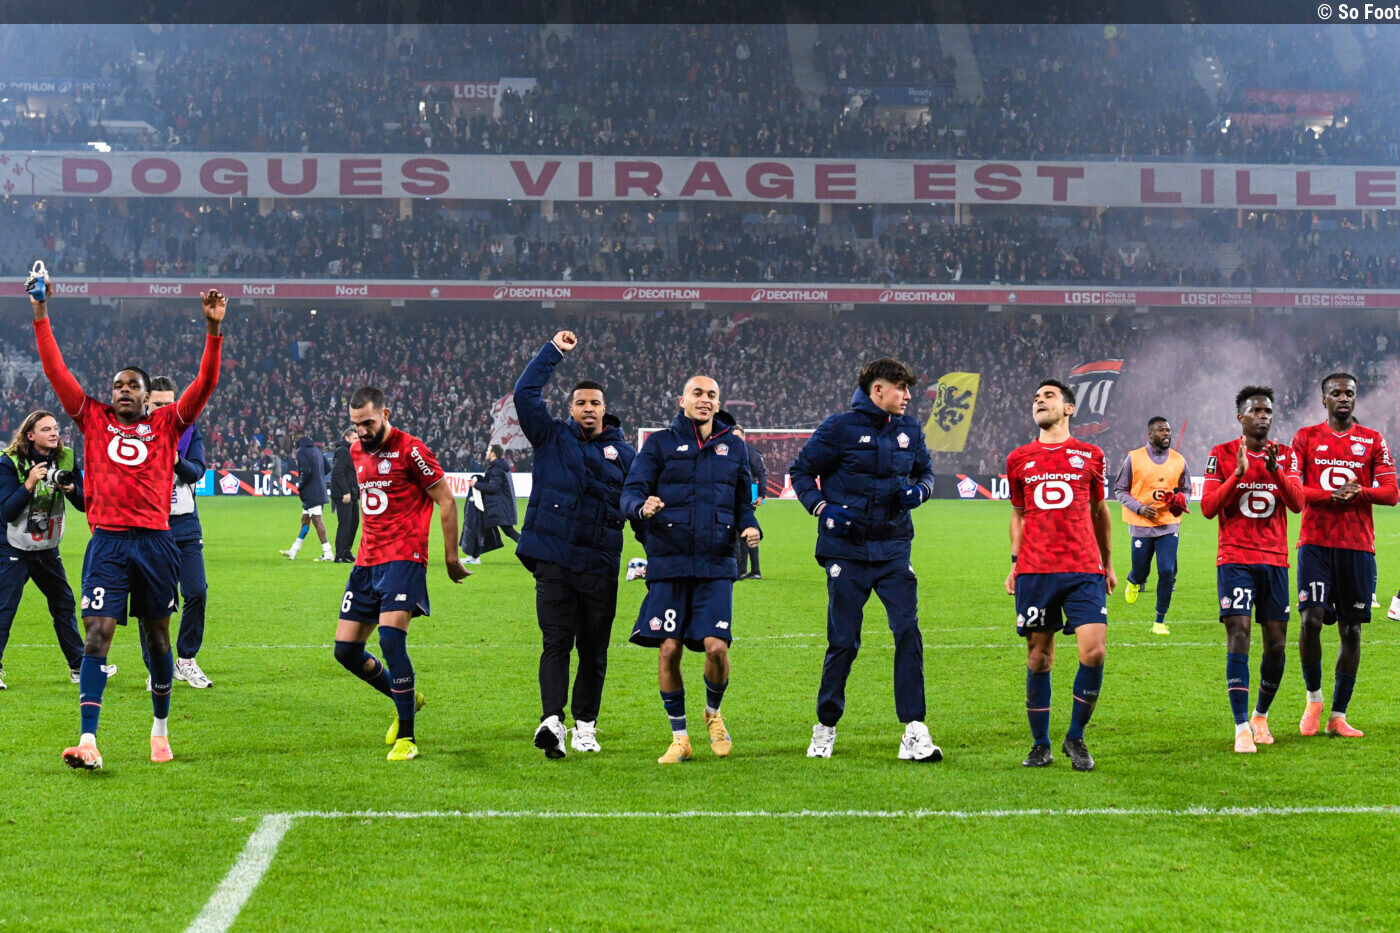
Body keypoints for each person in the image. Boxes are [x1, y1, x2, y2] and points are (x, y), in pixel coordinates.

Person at [30, 276, 224, 770]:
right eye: (117, 385)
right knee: (97, 633)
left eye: (132, 386)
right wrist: (41, 312)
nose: (122, 391)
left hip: (157, 544)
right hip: (108, 544)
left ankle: (160, 731)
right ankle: (88, 739)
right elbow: (56, 371)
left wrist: (212, 331)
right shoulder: (91, 417)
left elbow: (204, 385)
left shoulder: (168, 424)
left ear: (146, 395)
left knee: (157, 640)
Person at [788, 358, 941, 762]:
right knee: (843, 641)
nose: (907, 396)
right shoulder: (837, 428)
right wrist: (822, 508)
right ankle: (825, 726)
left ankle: (914, 729)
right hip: (846, 551)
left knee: (907, 631)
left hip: (893, 549)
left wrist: (920, 492)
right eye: (901, 388)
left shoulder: (911, 430)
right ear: (878, 389)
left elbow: (926, 474)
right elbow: (800, 472)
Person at [514, 330, 640, 758]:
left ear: (605, 409)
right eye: (581, 402)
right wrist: (552, 352)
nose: (588, 408)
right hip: (554, 562)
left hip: (600, 565)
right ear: (570, 408)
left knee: (593, 651)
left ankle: (586, 725)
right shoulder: (550, 437)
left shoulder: (625, 456)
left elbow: (638, 507)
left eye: (595, 403)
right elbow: (524, 393)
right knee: (556, 643)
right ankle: (552, 720)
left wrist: (658, 556)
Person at [622, 375, 760, 764]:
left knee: (716, 647)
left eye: (711, 395)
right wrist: (641, 508)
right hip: (669, 560)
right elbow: (630, 492)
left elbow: (742, 501)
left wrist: (750, 525)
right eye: (697, 393)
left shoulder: (734, 446)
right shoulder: (659, 444)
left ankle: (713, 714)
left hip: (716, 561)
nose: (704, 399)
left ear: (718, 403)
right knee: (669, 648)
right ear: (682, 400)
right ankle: (680, 738)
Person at [332, 386, 470, 762]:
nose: (362, 431)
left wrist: (451, 557)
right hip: (366, 562)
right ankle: (406, 696)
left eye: (368, 423)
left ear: (386, 414)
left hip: (405, 557)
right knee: (345, 650)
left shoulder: (412, 450)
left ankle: (407, 737)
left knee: (391, 640)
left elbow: (446, 500)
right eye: (356, 424)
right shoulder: (356, 452)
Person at [1004, 379, 1115, 772]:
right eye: (1036, 397)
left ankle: (1076, 737)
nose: (1039, 401)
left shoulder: (1091, 455)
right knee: (1039, 658)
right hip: (1036, 570)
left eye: (1048, 396)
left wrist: (1108, 562)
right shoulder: (1018, 458)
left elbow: (1100, 511)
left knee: (1094, 651)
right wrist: (1015, 562)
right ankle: (1041, 744)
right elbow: (1018, 514)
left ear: (1069, 408)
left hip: (1083, 567)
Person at [1288, 373, 1397, 738]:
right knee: (1311, 620)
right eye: (1336, 393)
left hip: (1357, 546)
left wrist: (1359, 491)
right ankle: (1314, 699)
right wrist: (1329, 495)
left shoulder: (1372, 440)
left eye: (1349, 392)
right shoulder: (1305, 437)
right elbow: (1294, 490)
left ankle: (1338, 716)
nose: (1343, 398)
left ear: (1355, 397)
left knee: (1351, 629)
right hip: (1315, 543)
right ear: (1324, 399)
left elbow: (1392, 492)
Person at [1199, 387, 1303, 752]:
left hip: (1274, 560)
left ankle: (1260, 715)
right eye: (1256, 411)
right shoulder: (1221, 454)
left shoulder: (1285, 455)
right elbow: (1208, 508)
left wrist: (1276, 472)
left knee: (1276, 644)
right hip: (1235, 559)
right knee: (1239, 634)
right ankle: (1241, 725)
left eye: (1268, 411)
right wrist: (1237, 475)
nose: (1263, 416)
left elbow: (1298, 504)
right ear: (1240, 417)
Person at [0, 410, 109, 689]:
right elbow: (7, 512)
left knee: (63, 603)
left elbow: (86, 504)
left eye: (56, 428)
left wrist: (71, 489)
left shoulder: (66, 458)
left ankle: (78, 667)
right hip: (12, 545)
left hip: (46, 545)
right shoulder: (8, 462)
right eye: (46, 429)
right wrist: (29, 484)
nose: (54, 433)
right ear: (30, 435)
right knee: (5, 608)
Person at [136, 377, 213, 689]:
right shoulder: (129, 432)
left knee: (196, 591)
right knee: (149, 601)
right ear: (146, 402)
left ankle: (186, 659)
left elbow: (197, 471)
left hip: (184, 523)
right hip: (146, 526)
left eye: (169, 404)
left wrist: (177, 460)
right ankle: (156, 667)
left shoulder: (188, 429)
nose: (164, 409)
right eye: (157, 404)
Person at [1114, 416, 1191, 636]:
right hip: (1141, 525)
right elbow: (1119, 490)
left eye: (1168, 430)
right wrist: (1139, 508)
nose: (1166, 434)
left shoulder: (1179, 460)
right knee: (1141, 571)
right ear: (1150, 434)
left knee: (1167, 571)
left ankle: (1159, 621)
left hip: (1168, 525)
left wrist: (1181, 501)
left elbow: (1186, 490)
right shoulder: (1134, 458)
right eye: (1161, 430)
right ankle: (1134, 580)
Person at [461, 444, 519, 564]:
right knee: (488, 529)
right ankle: (474, 557)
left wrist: (476, 484)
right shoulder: (500, 467)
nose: (486, 452)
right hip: (499, 507)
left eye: (488, 451)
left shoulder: (496, 469)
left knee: (505, 531)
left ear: (493, 454)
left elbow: (493, 487)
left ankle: (532, 550)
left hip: (497, 508)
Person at [280, 436, 334, 561]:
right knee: (305, 519)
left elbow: (306, 471)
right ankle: (294, 550)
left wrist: (301, 485)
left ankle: (328, 552)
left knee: (317, 520)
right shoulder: (317, 450)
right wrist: (317, 478)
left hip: (311, 492)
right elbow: (327, 468)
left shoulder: (301, 451)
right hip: (318, 490)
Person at [732, 426, 768, 580]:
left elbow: (762, 473)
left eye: (738, 436)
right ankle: (753, 570)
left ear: (744, 437)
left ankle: (742, 570)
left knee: (743, 531)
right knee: (747, 530)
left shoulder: (751, 453)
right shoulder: (729, 452)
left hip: (746, 496)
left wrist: (761, 494)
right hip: (734, 496)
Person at [330, 426, 359, 563]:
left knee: (354, 523)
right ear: (347, 438)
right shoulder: (342, 451)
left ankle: (347, 551)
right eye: (354, 438)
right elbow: (338, 473)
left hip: (352, 493)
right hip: (344, 494)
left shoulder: (352, 451)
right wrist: (345, 491)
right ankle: (339, 554)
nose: (357, 440)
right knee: (345, 524)